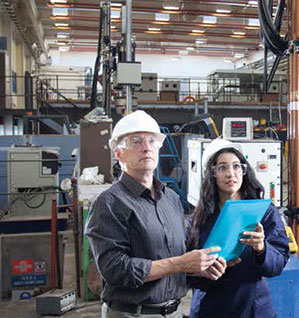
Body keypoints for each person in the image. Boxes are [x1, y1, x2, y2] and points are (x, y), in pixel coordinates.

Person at [85, 110, 227, 318]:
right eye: (136, 141)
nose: (146, 148)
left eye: (152, 141)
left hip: (175, 311)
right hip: (133, 314)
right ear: (119, 154)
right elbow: (115, 270)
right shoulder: (109, 203)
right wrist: (180, 264)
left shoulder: (170, 198)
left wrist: (196, 268)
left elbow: (175, 255)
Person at [187, 138, 290, 318]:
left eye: (236, 166)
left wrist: (261, 248)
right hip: (210, 307)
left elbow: (277, 264)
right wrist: (206, 270)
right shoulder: (199, 218)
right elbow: (186, 272)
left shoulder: (263, 212)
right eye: (222, 168)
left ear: (244, 171)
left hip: (253, 308)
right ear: (211, 174)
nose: (230, 174)